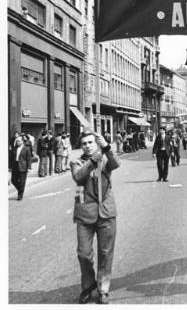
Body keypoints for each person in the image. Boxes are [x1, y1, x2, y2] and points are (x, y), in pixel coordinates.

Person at [71, 130, 120, 304]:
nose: (87, 146)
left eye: (91, 142)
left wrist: (106, 147)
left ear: (96, 143)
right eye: (84, 143)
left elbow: (116, 163)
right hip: (85, 214)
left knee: (105, 253)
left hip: (106, 212)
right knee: (84, 254)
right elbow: (78, 177)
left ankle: (103, 288)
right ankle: (88, 285)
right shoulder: (77, 162)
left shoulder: (105, 158)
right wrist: (93, 160)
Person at [10, 136, 32, 200]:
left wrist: (29, 167)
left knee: (22, 181)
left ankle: (20, 195)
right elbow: (11, 158)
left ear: (22, 141)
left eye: (19, 141)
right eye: (16, 141)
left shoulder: (26, 148)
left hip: (23, 166)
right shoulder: (14, 148)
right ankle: (20, 189)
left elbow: (29, 159)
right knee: (13, 180)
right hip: (15, 165)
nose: (17, 142)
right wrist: (10, 166)